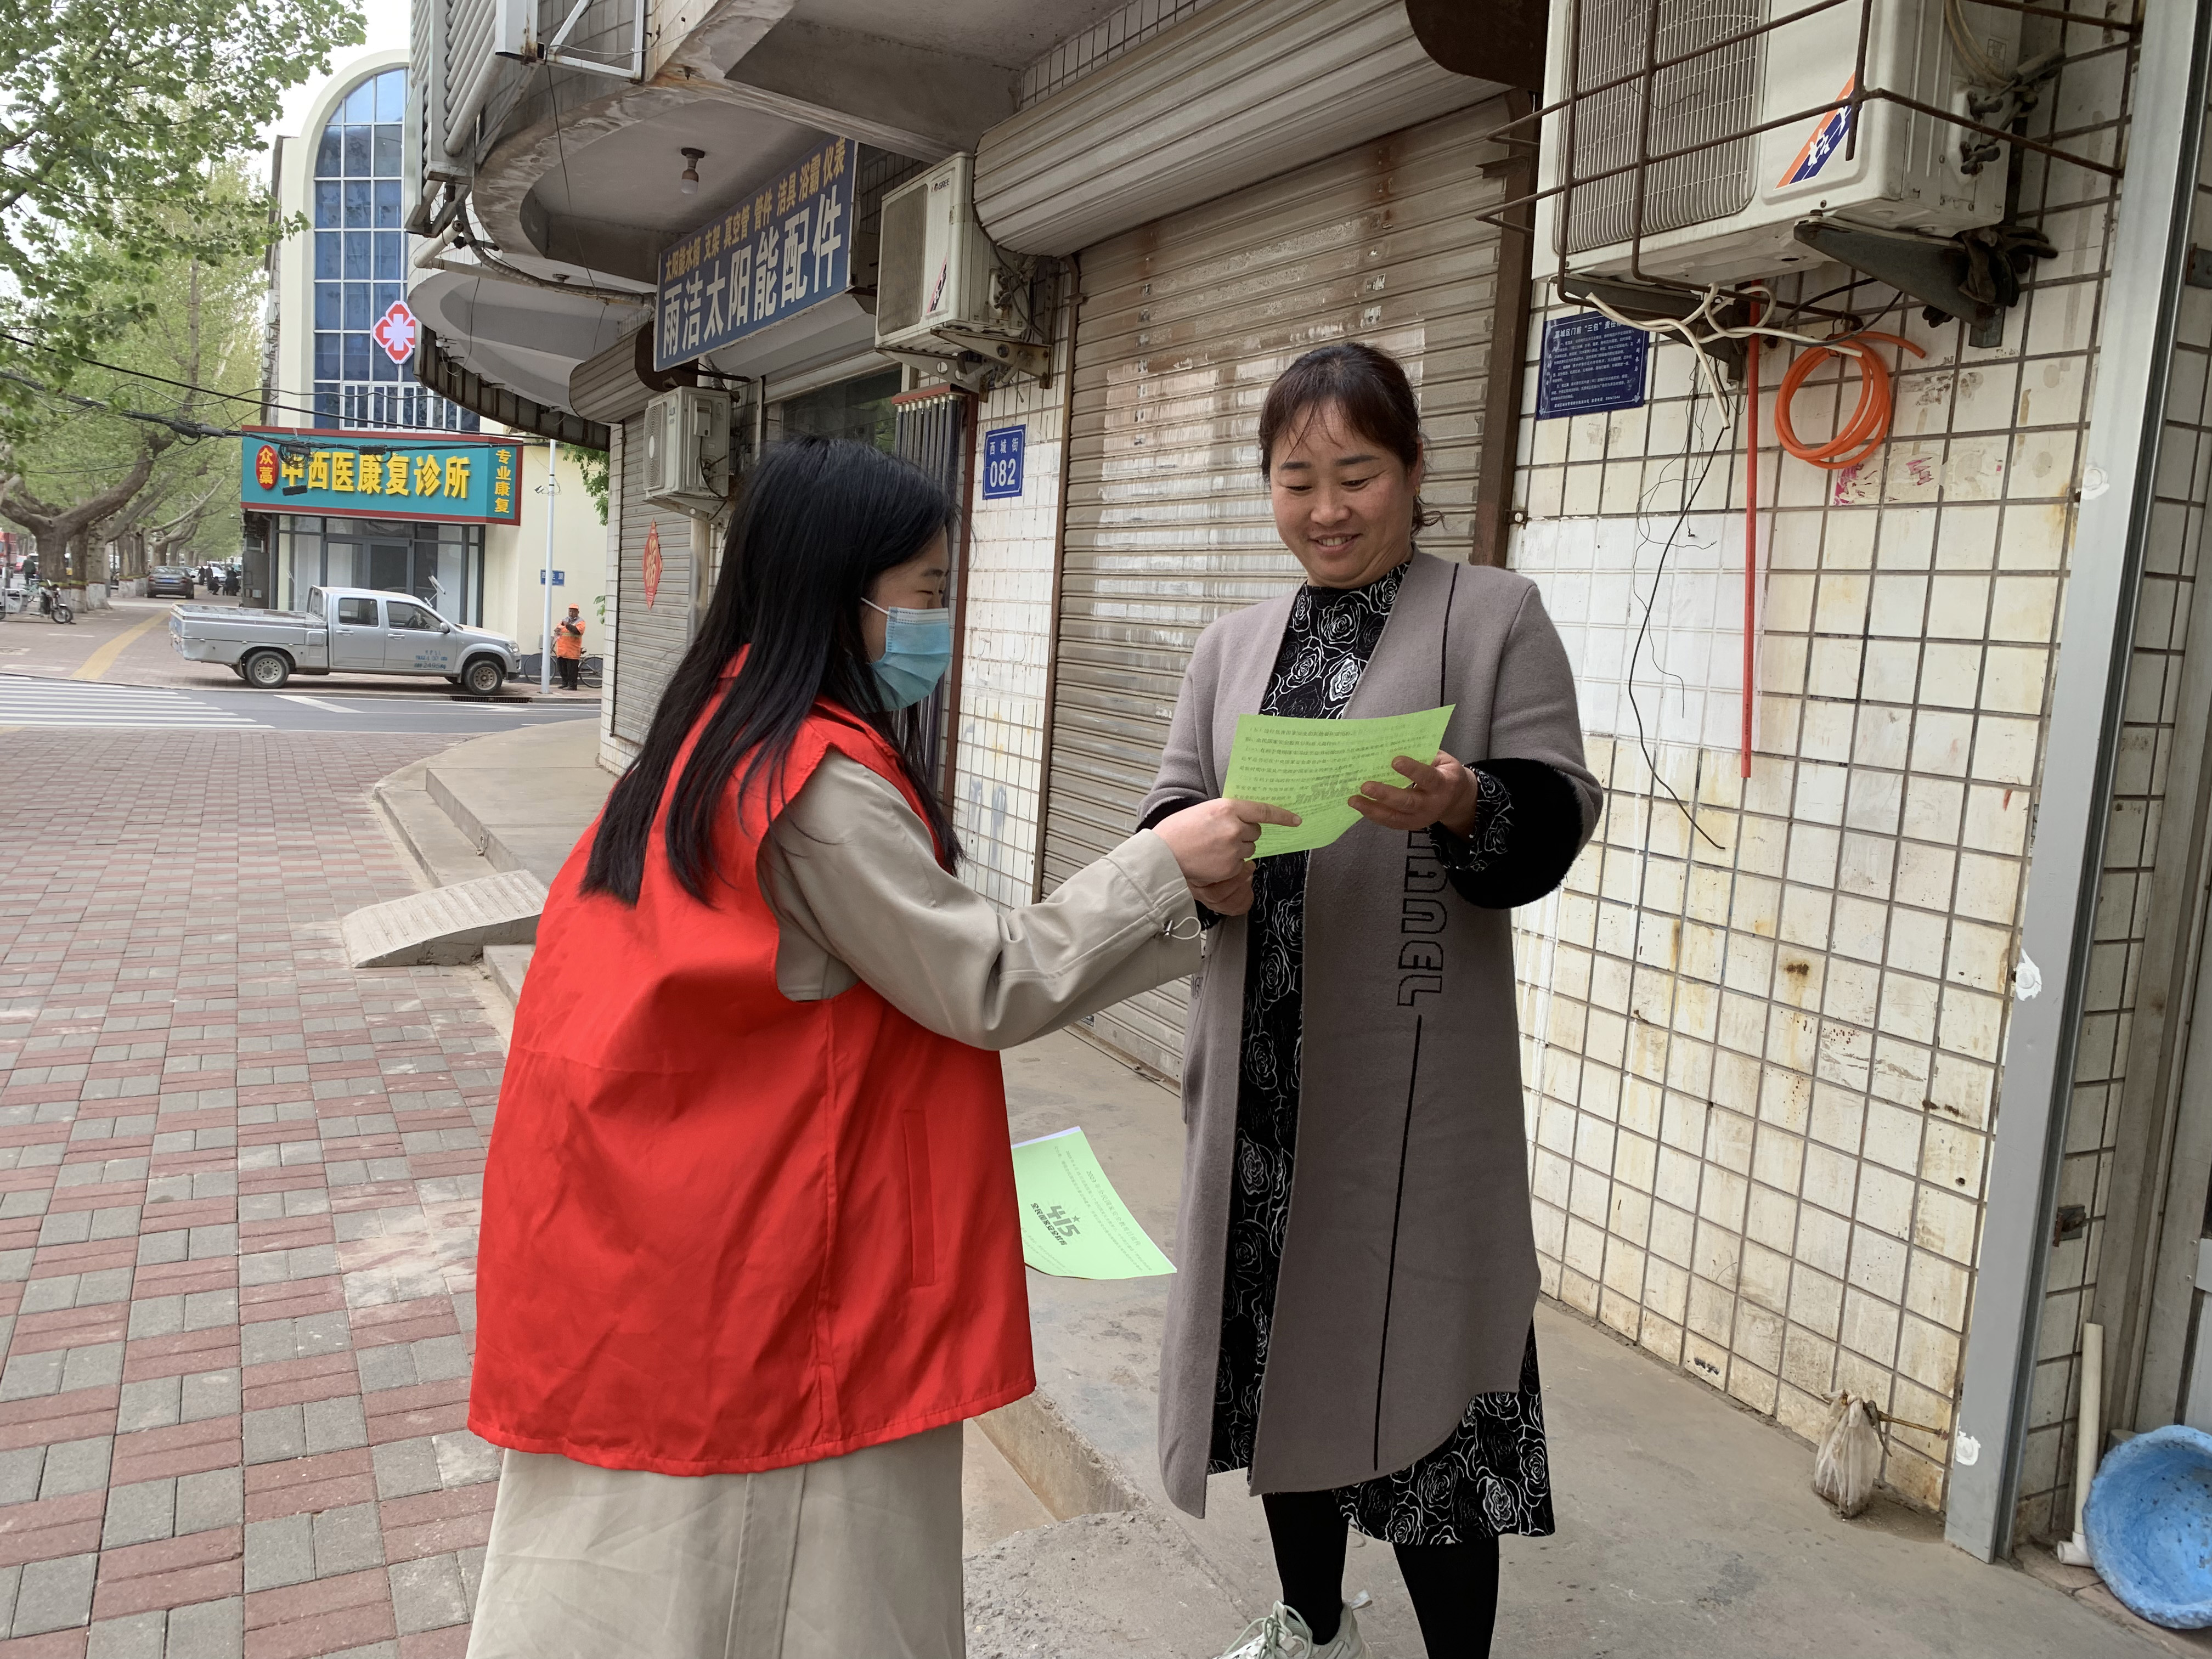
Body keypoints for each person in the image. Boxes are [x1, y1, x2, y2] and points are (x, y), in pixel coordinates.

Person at [464, 437, 1292, 1659]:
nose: (940, 621)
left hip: (670, 1238)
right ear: (837, 591)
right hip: (778, 1272)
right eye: (927, 591)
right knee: (789, 1587)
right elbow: (986, 978)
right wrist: (1163, 867)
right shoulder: (815, 784)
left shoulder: (712, 736)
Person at [1142, 342, 1602, 1659]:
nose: (1328, 507)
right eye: (1298, 480)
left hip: (1411, 1083)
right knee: (1283, 1366)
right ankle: (1308, 1621)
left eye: (1358, 473)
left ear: (1411, 472)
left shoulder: (1494, 616)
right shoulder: (1233, 645)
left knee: (1429, 1380)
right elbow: (1167, 812)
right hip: (1263, 1079)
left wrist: (1466, 801)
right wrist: (1200, 856)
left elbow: (1554, 811)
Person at [551, 602, 584, 690]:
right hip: (562, 650)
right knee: (562, 669)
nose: (571, 613)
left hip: (572, 651)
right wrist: (557, 630)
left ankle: (572, 685)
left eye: (573, 612)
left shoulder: (580, 622)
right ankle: (565, 683)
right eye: (570, 611)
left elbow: (577, 631)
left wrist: (567, 625)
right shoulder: (564, 620)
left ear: (578, 613)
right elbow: (558, 628)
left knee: (572, 670)